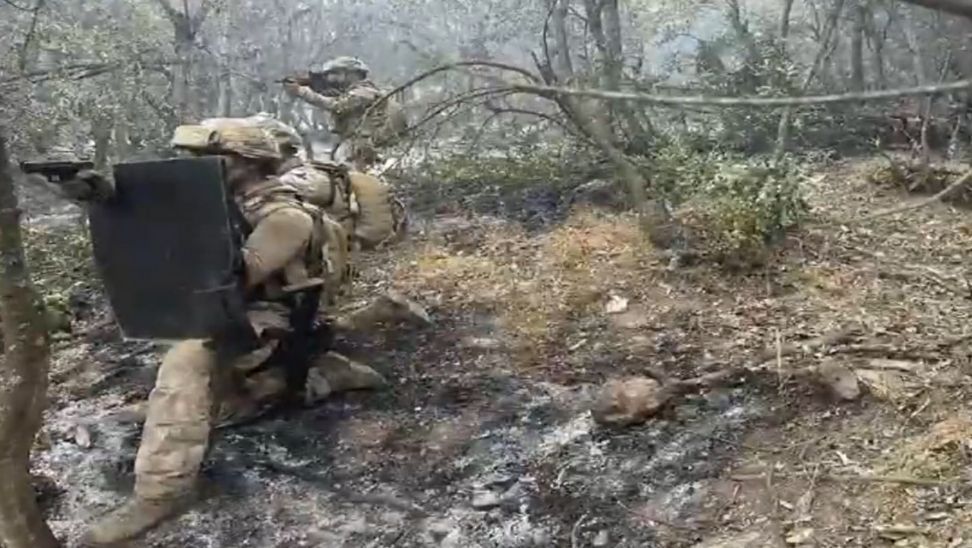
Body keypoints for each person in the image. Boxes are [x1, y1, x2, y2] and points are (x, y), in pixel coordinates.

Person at [58, 119, 387, 545]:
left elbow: (227, 277)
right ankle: (306, 378)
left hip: (275, 315)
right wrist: (101, 199)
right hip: (234, 304)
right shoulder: (224, 198)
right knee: (205, 381)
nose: (192, 165)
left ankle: (162, 492)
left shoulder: (282, 215)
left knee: (188, 357)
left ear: (247, 163)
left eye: (206, 158)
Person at [283, 56, 407, 172]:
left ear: (351, 74)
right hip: (355, 144)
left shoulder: (365, 92)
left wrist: (301, 92)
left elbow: (338, 106)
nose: (332, 78)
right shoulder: (354, 91)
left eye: (336, 73)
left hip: (360, 147)